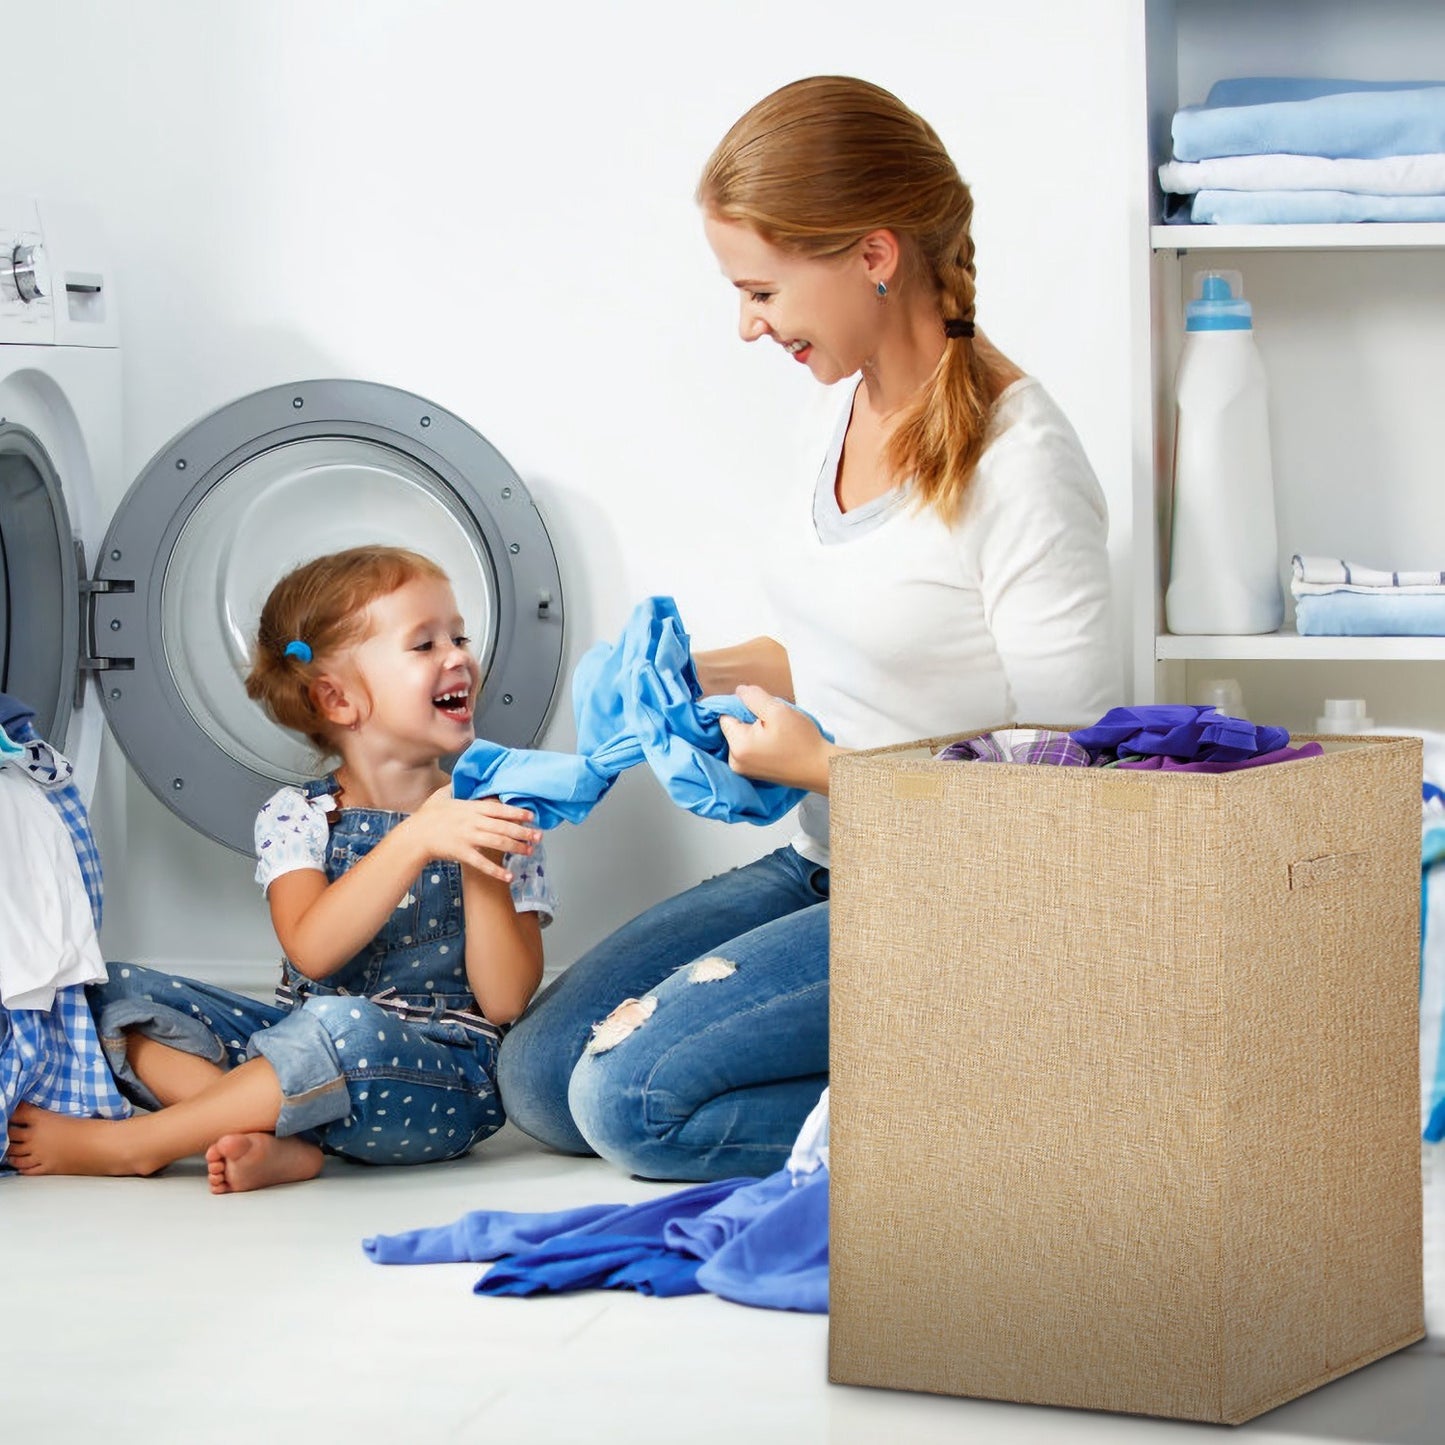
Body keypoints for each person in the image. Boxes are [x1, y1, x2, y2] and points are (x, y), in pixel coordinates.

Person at [496, 75, 1120, 1183]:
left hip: (970, 901)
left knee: (628, 1103)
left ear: (871, 255)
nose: (747, 326)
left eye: (760, 290)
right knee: (540, 1078)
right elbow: (859, 647)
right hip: (830, 868)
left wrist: (824, 766)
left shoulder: (1020, 463)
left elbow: (1074, 781)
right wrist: (686, 672)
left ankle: (1011, 1096)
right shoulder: (834, 406)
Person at [7, 545, 553, 1192]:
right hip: (295, 1046)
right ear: (338, 700)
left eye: (458, 635)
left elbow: (506, 999)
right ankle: (270, 1137)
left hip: (435, 1080)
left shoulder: (498, 811)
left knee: (340, 1026)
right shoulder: (297, 814)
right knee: (113, 992)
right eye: (424, 644)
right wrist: (415, 841)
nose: (458, 654)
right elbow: (313, 949)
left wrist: (473, 850)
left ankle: (139, 1143)